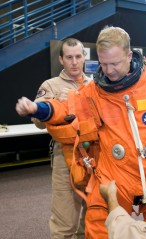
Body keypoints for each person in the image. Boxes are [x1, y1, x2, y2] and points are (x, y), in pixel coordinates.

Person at [15, 26, 146, 238]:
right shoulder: (93, 91)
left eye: (115, 63)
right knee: (99, 227)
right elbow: (67, 109)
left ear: (129, 55)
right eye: (103, 64)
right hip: (115, 175)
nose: (109, 70)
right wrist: (38, 109)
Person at [32, 38, 90, 239]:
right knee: (64, 221)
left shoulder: (94, 85)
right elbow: (38, 121)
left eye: (78, 56)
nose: (74, 62)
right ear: (61, 60)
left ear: (84, 57)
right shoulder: (51, 85)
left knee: (94, 216)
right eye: (69, 57)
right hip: (66, 159)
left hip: (95, 156)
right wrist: (58, 101)